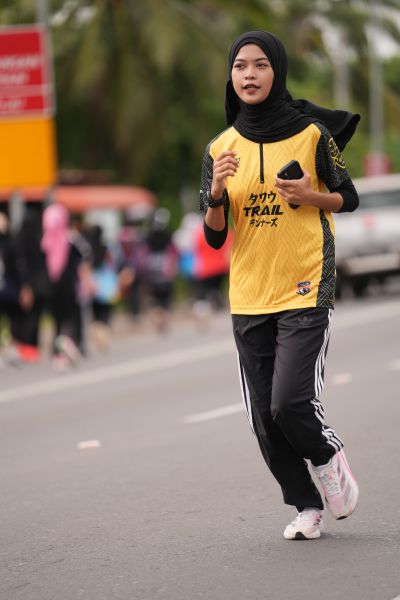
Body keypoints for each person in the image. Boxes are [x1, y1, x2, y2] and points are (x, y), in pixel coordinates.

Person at [200, 30, 360, 540]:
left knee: (289, 401)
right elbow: (214, 235)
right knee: (263, 417)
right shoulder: (220, 148)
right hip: (249, 293)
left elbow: (349, 197)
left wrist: (311, 196)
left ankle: (327, 456)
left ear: (278, 71)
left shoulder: (312, 135)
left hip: (306, 281)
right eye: (240, 66)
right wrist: (217, 190)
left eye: (260, 65)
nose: (249, 74)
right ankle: (306, 505)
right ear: (231, 75)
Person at [41, 204, 90, 369]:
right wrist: (86, 282)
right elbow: (84, 258)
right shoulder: (70, 239)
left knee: (57, 321)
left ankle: (57, 352)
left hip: (51, 288)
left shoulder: (44, 241)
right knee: (71, 319)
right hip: (69, 287)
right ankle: (71, 347)